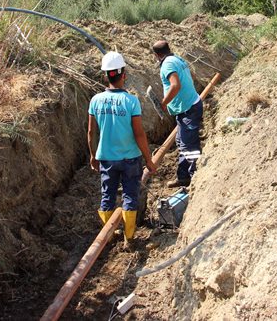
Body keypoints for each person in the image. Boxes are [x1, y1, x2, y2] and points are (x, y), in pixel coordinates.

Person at [87, 51, 156, 246]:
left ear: (105, 75)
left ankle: (109, 234)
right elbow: (139, 134)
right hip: (130, 158)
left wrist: (93, 156)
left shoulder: (95, 100)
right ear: (123, 75)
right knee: (129, 195)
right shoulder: (131, 101)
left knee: (107, 195)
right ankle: (129, 237)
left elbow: (91, 132)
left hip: (106, 158)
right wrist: (149, 160)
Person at [152, 40, 203, 188]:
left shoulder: (167, 64)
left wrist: (164, 102)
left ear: (156, 55)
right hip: (187, 107)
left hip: (189, 109)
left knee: (189, 146)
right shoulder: (177, 59)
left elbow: (175, 84)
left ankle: (196, 179)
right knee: (182, 142)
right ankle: (183, 177)